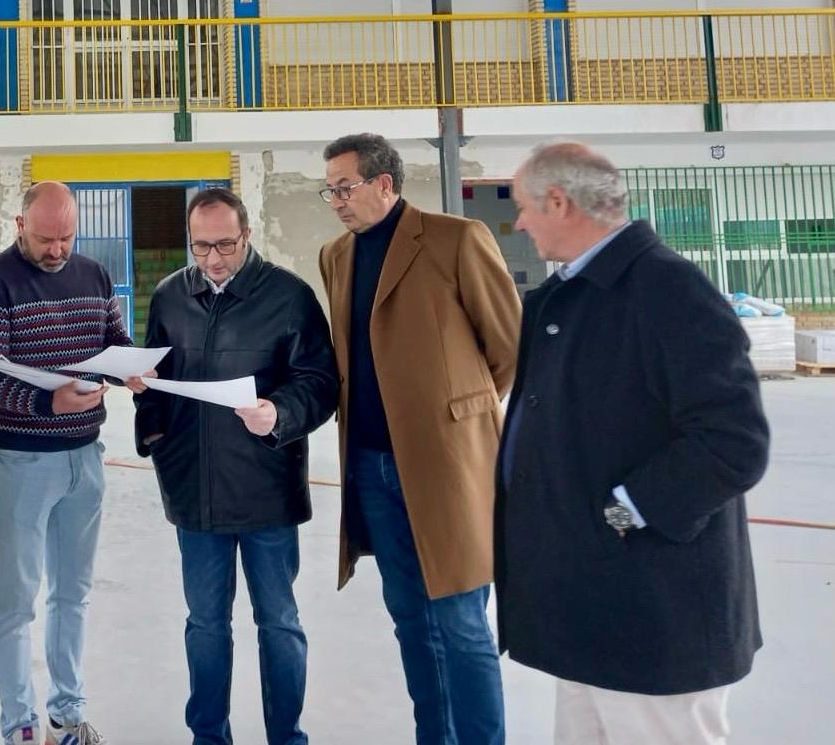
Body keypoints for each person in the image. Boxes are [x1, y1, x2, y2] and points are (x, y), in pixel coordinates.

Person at [497, 141, 769, 745]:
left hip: (655, 615)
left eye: (522, 207)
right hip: (591, 608)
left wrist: (622, 511)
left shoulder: (666, 288)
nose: (518, 222)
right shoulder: (564, 298)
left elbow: (733, 442)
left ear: (559, 201)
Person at [317, 133, 520, 745]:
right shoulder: (336, 256)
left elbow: (507, 347)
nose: (336, 201)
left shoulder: (455, 240)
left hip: (447, 465)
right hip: (373, 468)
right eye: (329, 190)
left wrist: (458, 413)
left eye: (344, 187)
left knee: (461, 622)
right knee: (411, 621)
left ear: (384, 183)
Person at [134, 187, 338, 745]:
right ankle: (208, 736)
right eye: (201, 247)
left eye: (225, 244)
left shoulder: (289, 297)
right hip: (193, 490)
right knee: (204, 625)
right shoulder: (172, 295)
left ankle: (286, 737)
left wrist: (279, 413)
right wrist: (154, 429)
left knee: (278, 623)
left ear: (247, 235)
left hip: (265, 488)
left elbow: (320, 383)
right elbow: (153, 378)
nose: (214, 259)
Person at [0, 180, 147, 745]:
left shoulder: (92, 273)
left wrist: (129, 368)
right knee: (17, 598)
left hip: (85, 457)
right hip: (23, 459)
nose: (57, 250)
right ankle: (19, 724)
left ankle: (67, 716)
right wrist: (47, 400)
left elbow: (112, 338)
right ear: (21, 225)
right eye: (46, 238)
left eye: (67, 237)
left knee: (73, 593)